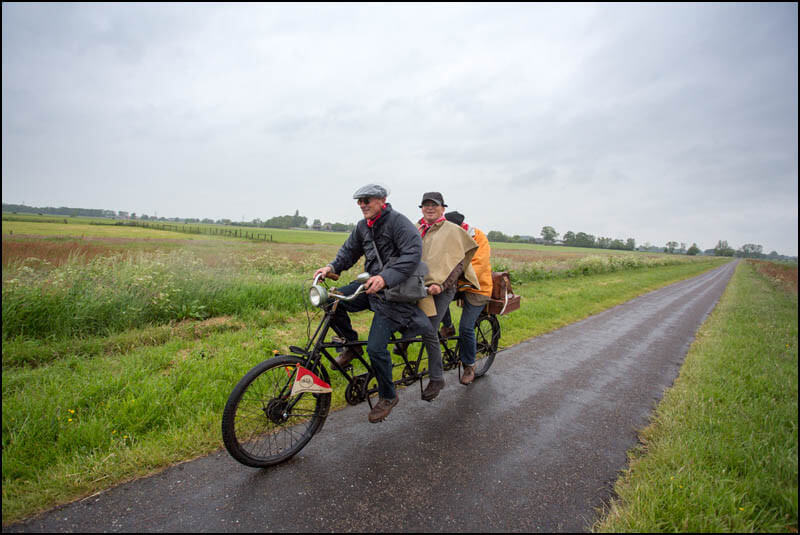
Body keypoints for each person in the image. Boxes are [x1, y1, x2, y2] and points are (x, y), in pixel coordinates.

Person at [313, 184, 434, 423]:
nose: (362, 205)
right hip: (371, 289)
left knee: (376, 348)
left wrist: (385, 277)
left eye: (366, 200)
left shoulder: (398, 223)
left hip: (395, 296)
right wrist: (331, 267)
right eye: (359, 201)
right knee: (331, 302)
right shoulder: (362, 227)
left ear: (382, 200)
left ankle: (388, 395)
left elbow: (412, 254)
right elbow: (349, 251)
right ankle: (351, 344)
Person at [413, 193, 480, 400]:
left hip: (442, 287)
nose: (429, 208)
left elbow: (459, 263)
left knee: (429, 329)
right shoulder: (417, 228)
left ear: (442, 208)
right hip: (418, 284)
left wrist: (441, 287)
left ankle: (436, 378)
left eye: (434, 205)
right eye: (426, 205)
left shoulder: (453, 231)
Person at [439, 210, 493, 385]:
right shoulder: (447, 237)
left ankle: (469, 365)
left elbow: (478, 265)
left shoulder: (478, 237)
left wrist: (451, 278)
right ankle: (447, 326)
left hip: (477, 287)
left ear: (461, 228)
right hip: (456, 284)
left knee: (466, 327)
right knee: (435, 298)